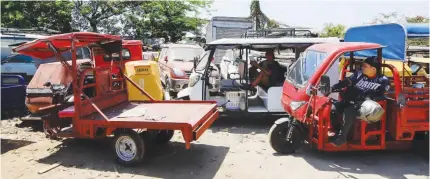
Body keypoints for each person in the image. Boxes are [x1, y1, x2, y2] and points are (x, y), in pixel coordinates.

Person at [329, 56, 390, 147]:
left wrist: (368, 97)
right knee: (332, 108)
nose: (362, 68)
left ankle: (342, 138)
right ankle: (337, 131)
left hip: (364, 105)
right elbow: (345, 82)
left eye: (365, 66)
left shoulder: (382, 80)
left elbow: (382, 95)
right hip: (350, 100)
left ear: (373, 69)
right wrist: (332, 88)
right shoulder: (359, 74)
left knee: (349, 111)